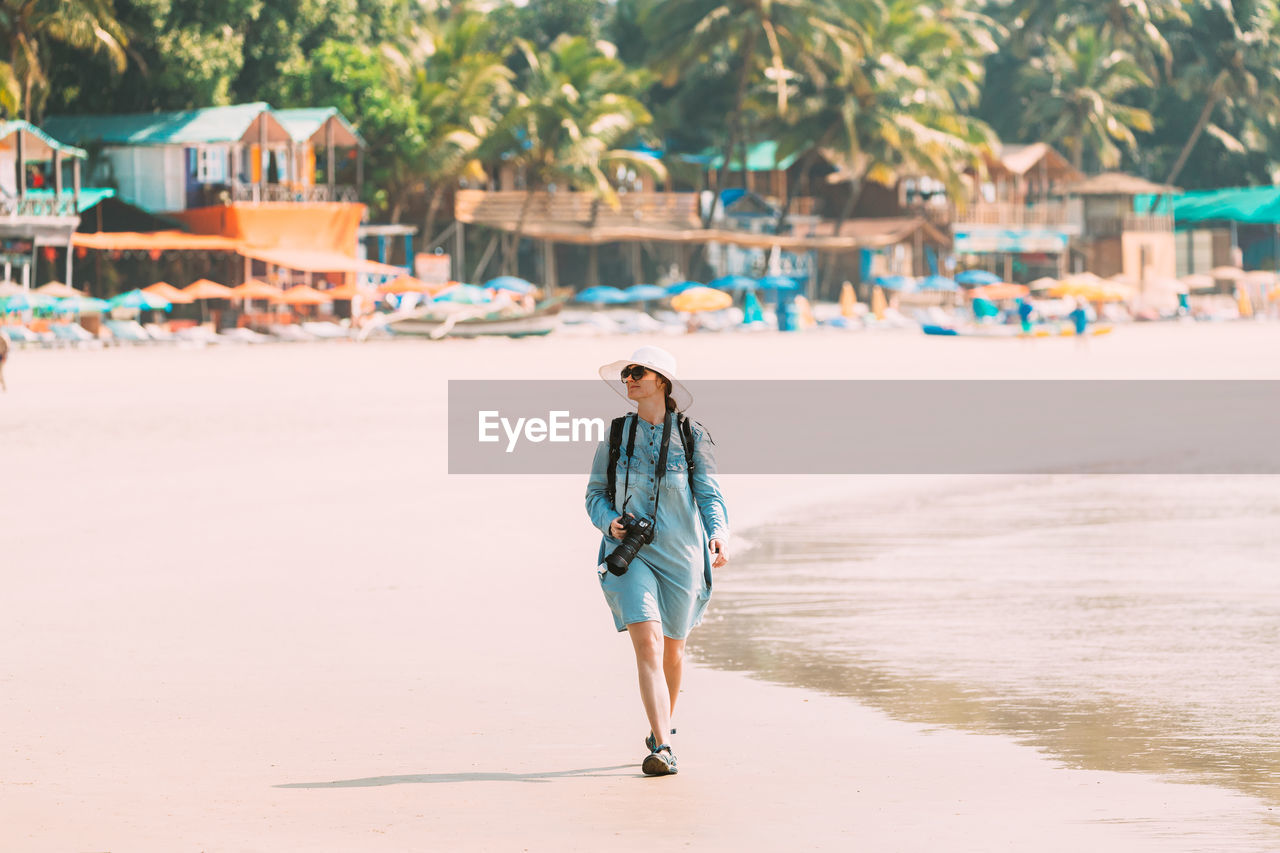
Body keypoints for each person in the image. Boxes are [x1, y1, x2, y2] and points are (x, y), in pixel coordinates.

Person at [585, 346, 729, 777]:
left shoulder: (693, 436)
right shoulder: (615, 435)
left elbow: (709, 493)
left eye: (637, 372)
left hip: (683, 554)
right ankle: (663, 745)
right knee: (646, 641)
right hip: (630, 556)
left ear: (661, 382)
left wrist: (719, 534)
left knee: (673, 650)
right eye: (626, 373)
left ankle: (659, 726)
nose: (628, 379)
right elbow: (595, 494)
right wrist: (610, 523)